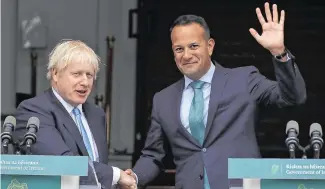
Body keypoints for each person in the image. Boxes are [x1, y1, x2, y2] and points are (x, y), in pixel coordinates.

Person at [123, 2, 306, 189]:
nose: (186, 55)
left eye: (193, 46)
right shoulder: (163, 100)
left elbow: (293, 97)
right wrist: (135, 177)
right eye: (179, 49)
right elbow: (153, 155)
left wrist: (279, 52)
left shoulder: (243, 79)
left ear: (210, 46)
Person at [14, 40, 136, 189]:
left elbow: (97, 170)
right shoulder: (33, 111)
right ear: (56, 74)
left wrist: (116, 183)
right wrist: (116, 176)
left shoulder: (97, 115)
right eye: (77, 74)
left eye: (89, 75)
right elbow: (64, 163)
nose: (85, 82)